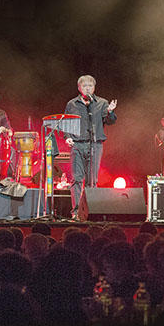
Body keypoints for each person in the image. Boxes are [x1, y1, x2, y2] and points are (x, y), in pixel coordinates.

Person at [64, 75, 117, 219]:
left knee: (92, 180)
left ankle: (90, 211)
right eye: (84, 86)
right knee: (76, 178)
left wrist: (111, 111)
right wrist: (67, 136)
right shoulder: (72, 104)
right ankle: (75, 212)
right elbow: (66, 123)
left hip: (95, 144)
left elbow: (110, 121)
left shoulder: (101, 103)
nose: (88, 88)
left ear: (94, 88)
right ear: (79, 88)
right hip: (77, 145)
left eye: (90, 86)